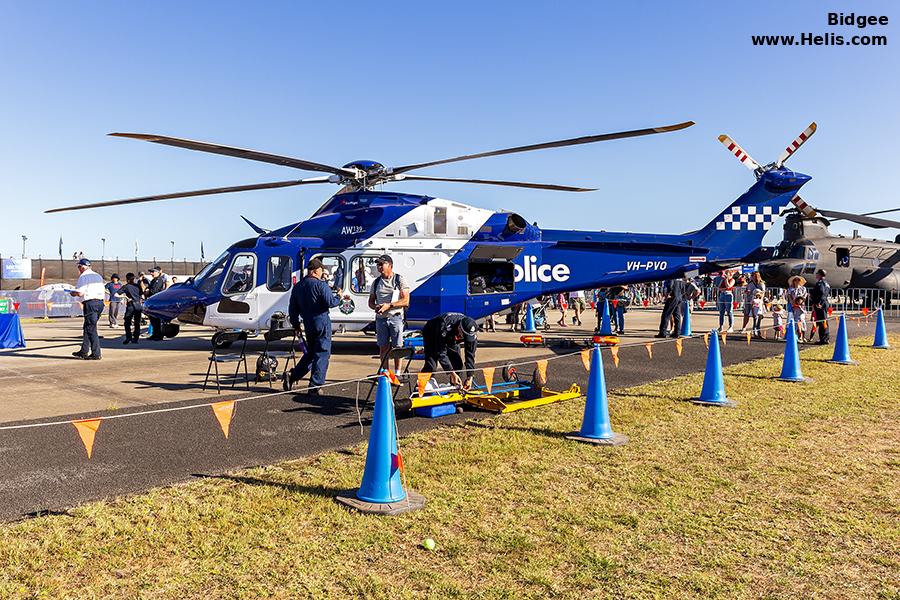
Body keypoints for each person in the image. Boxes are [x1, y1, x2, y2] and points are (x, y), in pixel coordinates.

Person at [283, 258, 343, 395]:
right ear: (316, 271)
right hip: (321, 321)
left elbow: (293, 308)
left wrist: (296, 324)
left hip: (308, 323)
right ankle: (315, 386)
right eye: (321, 270)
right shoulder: (321, 285)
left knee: (310, 353)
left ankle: (293, 376)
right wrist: (339, 297)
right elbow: (330, 302)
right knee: (322, 353)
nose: (323, 273)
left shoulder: (298, 286)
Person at [368, 254, 410, 373]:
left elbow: (406, 301)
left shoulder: (399, 279)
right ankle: (385, 373)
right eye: (378, 264)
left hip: (395, 318)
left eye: (382, 264)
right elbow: (370, 302)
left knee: (397, 348)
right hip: (381, 319)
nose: (379, 266)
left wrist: (389, 305)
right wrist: (375, 306)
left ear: (390, 265)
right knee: (383, 348)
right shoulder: (376, 282)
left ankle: (397, 373)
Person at [421, 312, 478, 390]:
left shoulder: (471, 333)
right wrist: (451, 373)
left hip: (451, 337)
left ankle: (455, 388)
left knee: (457, 364)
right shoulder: (444, 324)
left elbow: (470, 354)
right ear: (459, 328)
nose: (465, 338)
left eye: (468, 337)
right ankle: (420, 388)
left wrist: (470, 376)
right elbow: (441, 352)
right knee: (431, 365)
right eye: (464, 336)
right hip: (432, 333)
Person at [69, 258, 105, 360]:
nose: (78, 269)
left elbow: (80, 292)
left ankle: (96, 353)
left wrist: (72, 293)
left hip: (91, 303)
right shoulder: (97, 276)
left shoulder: (84, 276)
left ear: (82, 267)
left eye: (79, 267)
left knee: (91, 328)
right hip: (100, 303)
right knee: (88, 327)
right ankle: (83, 351)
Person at [116, 273, 144, 344]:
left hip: (130, 306)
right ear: (134, 278)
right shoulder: (138, 286)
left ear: (127, 279)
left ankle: (128, 337)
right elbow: (142, 295)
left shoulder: (126, 286)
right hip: (138, 305)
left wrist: (125, 297)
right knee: (137, 323)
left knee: (127, 322)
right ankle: (136, 338)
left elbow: (116, 294)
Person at [145, 266, 167, 340]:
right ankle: (155, 334)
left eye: (153, 272)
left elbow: (155, 291)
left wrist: (148, 291)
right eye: (151, 272)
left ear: (158, 272)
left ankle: (159, 335)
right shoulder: (153, 280)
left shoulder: (159, 280)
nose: (151, 273)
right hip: (152, 301)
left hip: (157, 301)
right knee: (153, 320)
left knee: (157, 319)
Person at [810, 269, 831, 345]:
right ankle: (825, 338)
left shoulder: (820, 283)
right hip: (824, 303)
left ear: (819, 274)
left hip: (821, 304)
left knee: (822, 321)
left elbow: (822, 293)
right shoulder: (826, 283)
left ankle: (823, 339)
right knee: (824, 321)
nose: (816, 275)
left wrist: (819, 303)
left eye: (817, 273)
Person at [784, 275, 808, 340]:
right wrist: (793, 303)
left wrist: (800, 302)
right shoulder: (790, 289)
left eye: (798, 280)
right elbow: (789, 296)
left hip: (801, 306)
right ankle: (794, 335)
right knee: (794, 321)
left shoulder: (803, 288)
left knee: (802, 320)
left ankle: (803, 336)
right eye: (795, 280)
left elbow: (804, 296)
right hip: (793, 306)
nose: (797, 281)